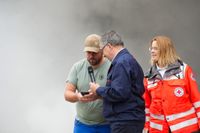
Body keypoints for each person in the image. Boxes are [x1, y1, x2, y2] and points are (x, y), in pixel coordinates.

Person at [89, 30, 145, 133]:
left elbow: (119, 93)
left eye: (102, 49)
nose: (103, 55)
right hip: (130, 119)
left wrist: (98, 89)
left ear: (109, 46)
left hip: (124, 121)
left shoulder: (121, 63)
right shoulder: (127, 59)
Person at [143, 36, 200, 133]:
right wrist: (146, 129)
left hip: (186, 129)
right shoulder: (149, 76)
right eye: (151, 48)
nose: (152, 51)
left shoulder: (183, 70)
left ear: (165, 50)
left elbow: (196, 100)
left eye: (156, 48)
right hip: (159, 130)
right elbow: (147, 107)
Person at [64, 34, 111, 133]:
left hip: (107, 124)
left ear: (102, 51)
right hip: (83, 124)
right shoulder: (77, 67)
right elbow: (67, 94)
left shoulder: (112, 67)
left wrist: (100, 95)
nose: (91, 56)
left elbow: (119, 93)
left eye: (94, 53)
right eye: (88, 52)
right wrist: (77, 96)